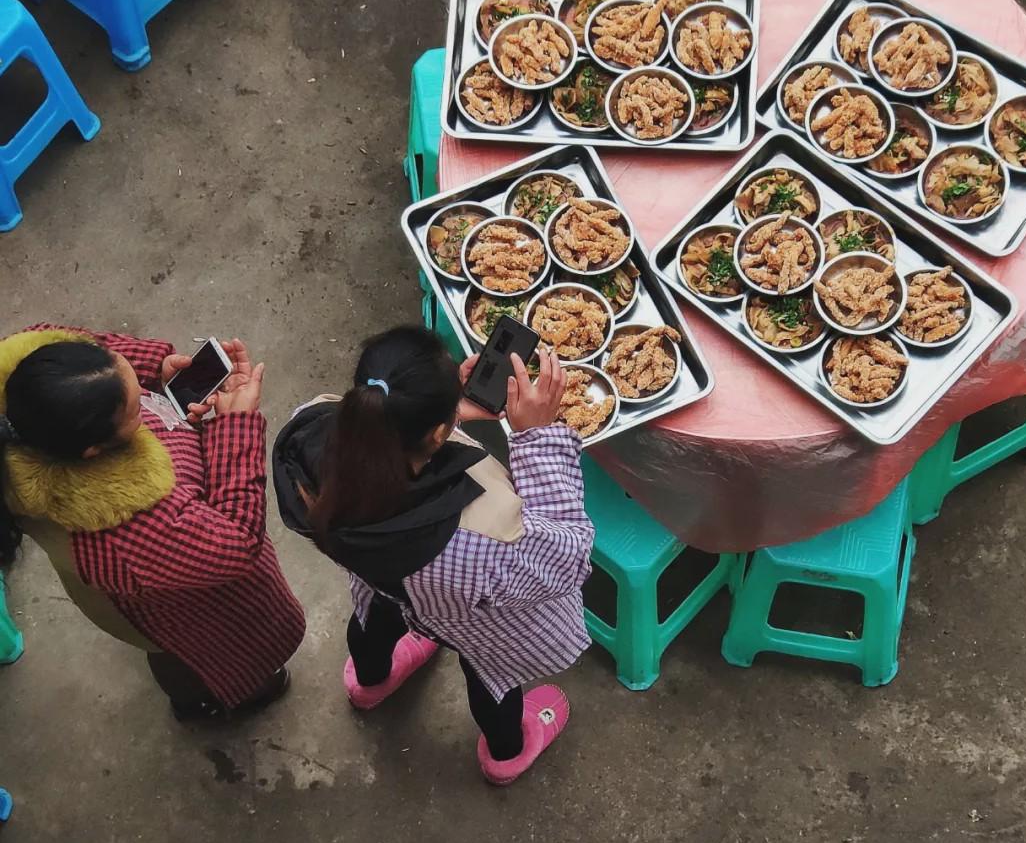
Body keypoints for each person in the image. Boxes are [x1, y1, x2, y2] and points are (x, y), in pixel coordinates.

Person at [273, 326, 592, 784]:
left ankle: (370, 681)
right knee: (489, 672)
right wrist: (536, 439)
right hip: (462, 609)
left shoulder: (306, 430)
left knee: (374, 620)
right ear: (436, 433)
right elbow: (569, 558)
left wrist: (445, 418)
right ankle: (507, 752)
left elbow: (381, 442)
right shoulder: (484, 531)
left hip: (382, 580)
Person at [0, 327, 305, 720]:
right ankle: (199, 702)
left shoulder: (32, 393)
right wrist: (235, 425)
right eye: (134, 409)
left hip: (134, 582)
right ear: (93, 452)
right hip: (161, 608)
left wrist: (153, 368)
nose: (148, 402)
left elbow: (65, 342)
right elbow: (236, 542)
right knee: (183, 651)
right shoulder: (129, 523)